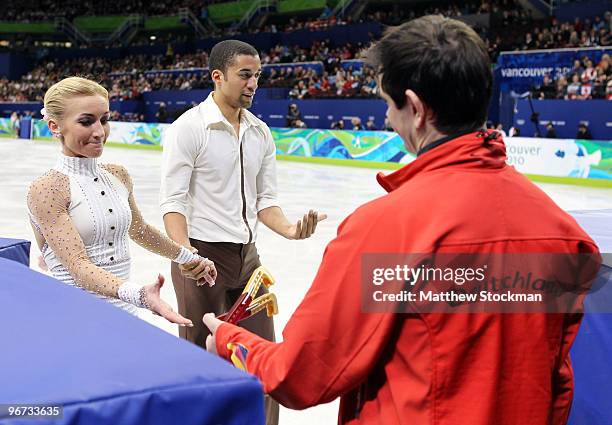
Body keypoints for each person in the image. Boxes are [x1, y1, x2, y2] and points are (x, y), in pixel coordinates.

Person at [203, 16, 599, 424]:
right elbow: (558, 380)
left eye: (389, 105)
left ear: (416, 108)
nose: (389, 120)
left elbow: (301, 375)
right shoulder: (564, 233)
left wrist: (231, 340)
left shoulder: (385, 230)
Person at [160, 40, 326, 425]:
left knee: (264, 356)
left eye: (258, 76)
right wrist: (187, 256)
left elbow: (266, 201)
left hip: (248, 260)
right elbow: (172, 203)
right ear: (218, 77)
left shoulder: (260, 133)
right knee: (201, 361)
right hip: (200, 258)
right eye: (245, 75)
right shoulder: (189, 128)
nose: (253, 84)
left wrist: (289, 230)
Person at [27, 77, 216, 325]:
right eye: (86, 121)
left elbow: (140, 231)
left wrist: (189, 258)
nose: (99, 132)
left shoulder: (118, 175)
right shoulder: (47, 189)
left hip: (124, 312)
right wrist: (141, 295)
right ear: (54, 126)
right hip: (75, 315)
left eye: (104, 120)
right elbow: (78, 267)